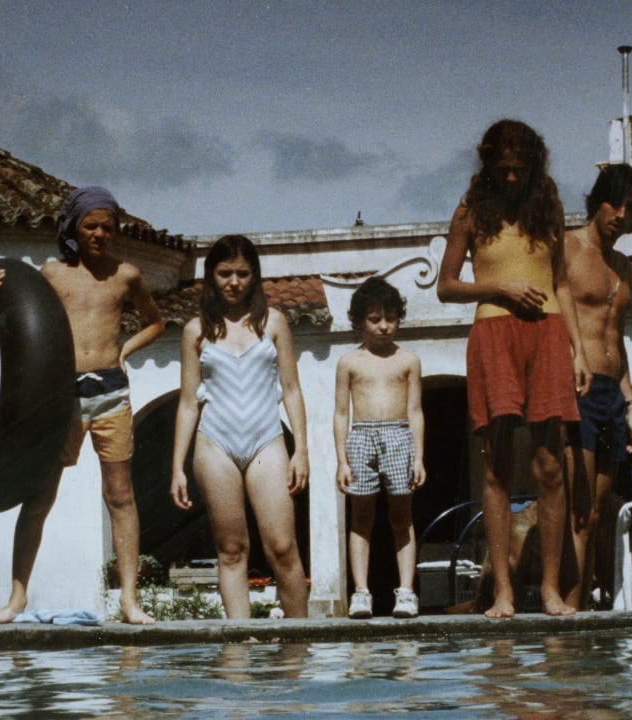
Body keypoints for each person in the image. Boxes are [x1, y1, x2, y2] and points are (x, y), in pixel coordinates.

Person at [0, 186, 163, 625]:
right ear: (74, 228)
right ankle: (17, 597)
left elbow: (155, 322)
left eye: (107, 227)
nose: (99, 234)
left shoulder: (126, 275)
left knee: (121, 495)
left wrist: (126, 350)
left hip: (112, 393)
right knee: (41, 495)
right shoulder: (53, 273)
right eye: (91, 226)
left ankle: (130, 601)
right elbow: (16, 314)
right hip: (63, 395)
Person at [435, 119, 589, 618]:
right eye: (502, 169)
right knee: (498, 465)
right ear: (488, 164)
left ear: (533, 165)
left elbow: (561, 283)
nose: (510, 178)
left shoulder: (549, 212)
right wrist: (499, 290)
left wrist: (578, 350)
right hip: (494, 333)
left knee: (550, 467)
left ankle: (547, 590)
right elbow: (446, 285)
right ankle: (501, 592)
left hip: (546, 334)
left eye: (518, 169)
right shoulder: (469, 214)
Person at [170, 234, 310, 619]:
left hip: (267, 440)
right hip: (215, 444)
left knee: (283, 547)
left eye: (243, 273)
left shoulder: (274, 323)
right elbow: (186, 404)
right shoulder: (195, 331)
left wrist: (301, 450)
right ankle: (239, 653)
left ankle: (300, 646)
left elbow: (292, 390)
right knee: (231, 550)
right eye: (224, 273)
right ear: (211, 276)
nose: (233, 282)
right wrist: (176, 467)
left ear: (255, 276)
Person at [562, 163, 632, 609]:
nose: (620, 214)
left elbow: (618, 340)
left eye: (631, 208)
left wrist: (631, 404)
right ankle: (572, 616)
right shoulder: (567, 248)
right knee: (580, 511)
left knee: (598, 514)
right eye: (614, 203)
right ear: (596, 200)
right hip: (578, 389)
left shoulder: (623, 266)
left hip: (613, 395)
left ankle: (592, 613)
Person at [333, 277, 426, 619]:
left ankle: (405, 591)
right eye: (375, 319)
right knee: (361, 519)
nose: (384, 326)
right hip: (361, 437)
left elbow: (416, 411)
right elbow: (342, 413)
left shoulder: (408, 360)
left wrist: (419, 456)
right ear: (360, 321)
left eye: (390, 317)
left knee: (402, 517)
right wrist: (342, 460)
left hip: (399, 436)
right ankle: (361, 592)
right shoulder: (349, 362)